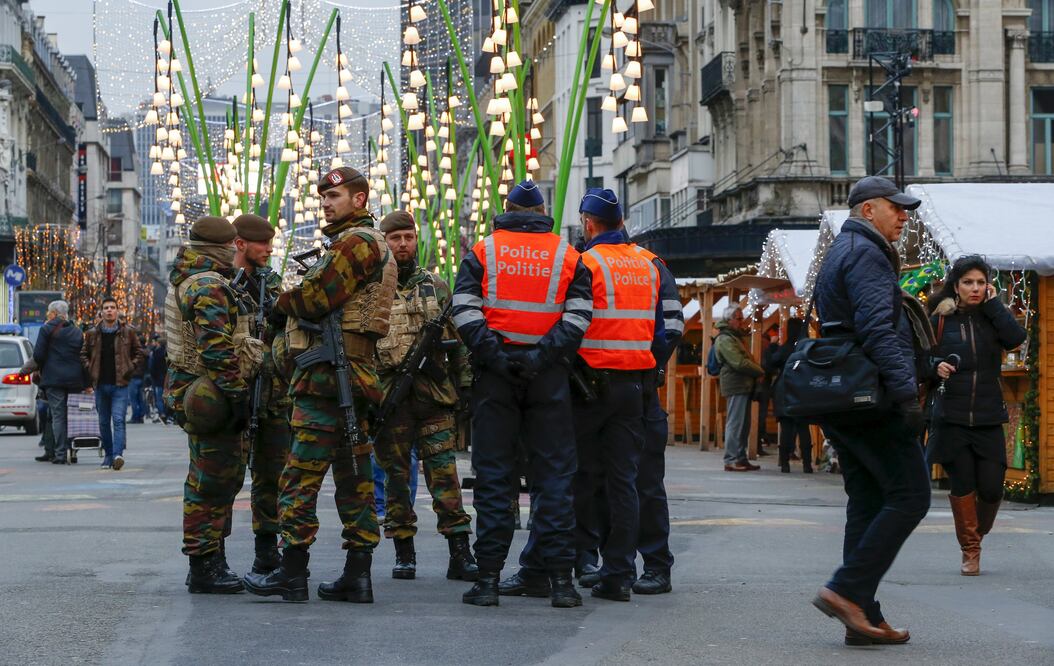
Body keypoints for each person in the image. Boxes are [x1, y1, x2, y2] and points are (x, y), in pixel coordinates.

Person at [243, 166, 396, 604]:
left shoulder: (356, 243)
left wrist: (280, 303)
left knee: (300, 476)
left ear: (359, 199)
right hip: (353, 373)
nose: (326, 203)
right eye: (323, 196)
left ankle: (292, 573)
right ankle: (357, 575)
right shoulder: (364, 242)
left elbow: (315, 297)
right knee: (354, 477)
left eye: (335, 196)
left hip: (329, 375)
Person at [453, 180, 593, 608]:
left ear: (507, 209)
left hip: (495, 378)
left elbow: (463, 311)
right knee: (554, 479)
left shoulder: (483, 252)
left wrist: (496, 356)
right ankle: (561, 583)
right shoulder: (567, 256)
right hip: (548, 378)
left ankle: (488, 580)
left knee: (495, 477)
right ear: (543, 213)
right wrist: (540, 358)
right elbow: (578, 318)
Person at [811, 176, 931, 645]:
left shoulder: (842, 249)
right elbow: (877, 329)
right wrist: (906, 395)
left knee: (866, 500)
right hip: (869, 395)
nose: (903, 216)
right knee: (910, 495)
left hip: (843, 394)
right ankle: (846, 591)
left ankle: (861, 614)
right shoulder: (866, 253)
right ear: (867, 210)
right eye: (895, 208)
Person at [372, 210, 477, 582]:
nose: (403, 244)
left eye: (408, 237)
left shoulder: (436, 286)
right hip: (390, 399)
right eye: (395, 238)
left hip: (433, 397)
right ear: (384, 242)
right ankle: (404, 552)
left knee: (444, 475)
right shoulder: (371, 289)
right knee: (396, 479)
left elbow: (458, 341)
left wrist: (466, 385)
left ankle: (460, 551)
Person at [164, 215, 259, 594]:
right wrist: (237, 396)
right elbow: (217, 348)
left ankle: (211, 558)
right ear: (223, 248)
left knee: (217, 476)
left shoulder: (192, 278)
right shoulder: (208, 285)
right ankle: (204, 564)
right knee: (212, 479)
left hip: (201, 391)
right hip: (211, 394)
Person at [927, 255, 1026, 576]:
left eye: (981, 282)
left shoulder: (992, 317)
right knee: (963, 484)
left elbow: (1016, 338)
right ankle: (970, 549)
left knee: (992, 488)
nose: (975, 288)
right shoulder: (939, 320)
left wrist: (995, 306)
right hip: (952, 417)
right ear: (955, 286)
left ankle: (975, 533)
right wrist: (934, 367)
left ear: (989, 286)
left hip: (988, 416)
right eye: (968, 282)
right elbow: (917, 358)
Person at [232, 213, 294, 577]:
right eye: (263, 243)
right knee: (225, 478)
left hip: (273, 393)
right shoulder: (222, 283)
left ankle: (267, 550)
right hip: (233, 391)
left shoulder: (270, 282)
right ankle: (210, 556)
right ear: (240, 244)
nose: (269, 249)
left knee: (272, 475)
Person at [81, 298, 145, 470]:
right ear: (101, 312)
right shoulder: (92, 333)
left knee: (118, 419)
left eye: (112, 307)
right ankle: (108, 455)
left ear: (117, 311)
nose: (109, 310)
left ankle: (118, 455)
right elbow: (83, 354)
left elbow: (139, 352)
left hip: (120, 384)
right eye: (106, 308)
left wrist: (130, 367)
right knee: (103, 422)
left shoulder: (127, 332)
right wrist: (90, 367)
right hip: (101, 385)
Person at [32, 301, 84, 464]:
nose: (48, 315)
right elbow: (82, 355)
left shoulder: (46, 329)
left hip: (53, 379)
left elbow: (38, 355)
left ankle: (60, 454)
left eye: (49, 312)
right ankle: (72, 451)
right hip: (74, 379)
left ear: (54, 313)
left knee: (58, 416)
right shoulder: (77, 331)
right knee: (72, 416)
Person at [714, 305, 763, 472]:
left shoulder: (733, 337)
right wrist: (759, 370)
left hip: (742, 384)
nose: (742, 321)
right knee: (736, 423)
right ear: (730, 320)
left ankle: (740, 458)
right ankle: (731, 459)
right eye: (739, 318)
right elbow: (739, 362)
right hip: (736, 384)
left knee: (743, 424)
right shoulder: (726, 339)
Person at [766, 319, 813, 473]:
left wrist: (772, 346)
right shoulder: (806, 347)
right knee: (803, 426)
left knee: (786, 426)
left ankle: (784, 463)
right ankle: (807, 464)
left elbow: (771, 363)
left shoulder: (785, 348)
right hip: (802, 388)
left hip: (784, 388)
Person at [148, 335, 169, 423]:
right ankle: (167, 414)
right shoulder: (167, 353)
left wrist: (153, 376)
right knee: (166, 397)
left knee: (159, 398)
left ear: (158, 343)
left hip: (158, 379)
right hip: (166, 378)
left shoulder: (156, 353)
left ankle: (162, 414)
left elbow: (152, 367)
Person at [127, 334, 148, 424]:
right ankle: (141, 416)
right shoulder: (146, 353)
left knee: (133, 399)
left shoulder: (134, 353)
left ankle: (135, 417)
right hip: (142, 377)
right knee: (140, 398)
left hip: (133, 377)